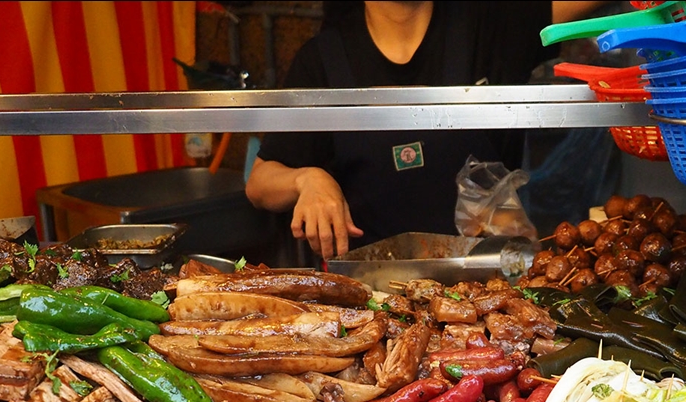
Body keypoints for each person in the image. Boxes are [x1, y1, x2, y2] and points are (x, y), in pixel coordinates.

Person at [245, 1, 612, 260]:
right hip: (374, 302)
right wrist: (307, 180)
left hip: (491, 293)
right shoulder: (322, 60)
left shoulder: (493, 22)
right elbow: (260, 183)